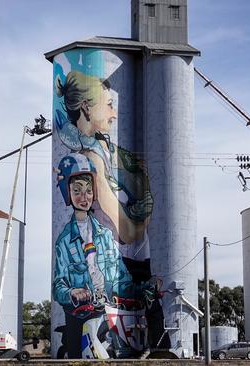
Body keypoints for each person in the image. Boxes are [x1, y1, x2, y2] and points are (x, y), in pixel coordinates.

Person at [54, 69, 171, 350]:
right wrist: (142, 211)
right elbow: (128, 231)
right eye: (108, 104)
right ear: (86, 106)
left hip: (115, 285)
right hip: (93, 302)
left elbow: (119, 268)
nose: (114, 114)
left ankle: (157, 349)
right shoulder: (91, 160)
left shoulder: (104, 151)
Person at [52, 153, 134, 358]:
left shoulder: (105, 235)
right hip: (78, 314)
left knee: (118, 354)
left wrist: (139, 289)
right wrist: (73, 292)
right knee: (78, 356)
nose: (84, 197)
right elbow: (58, 285)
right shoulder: (64, 241)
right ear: (67, 193)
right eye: (77, 191)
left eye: (88, 191)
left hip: (107, 313)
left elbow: (121, 276)